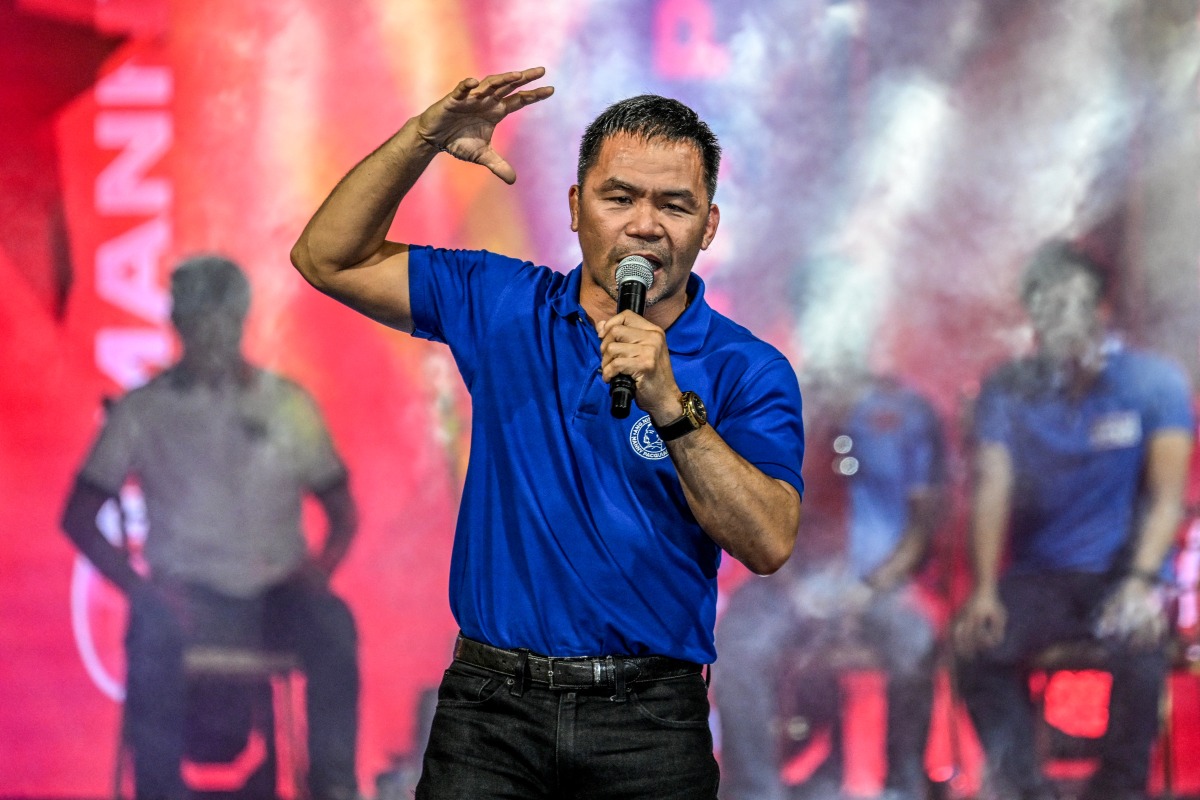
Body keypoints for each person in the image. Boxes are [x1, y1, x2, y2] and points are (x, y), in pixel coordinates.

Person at [290, 67, 806, 799]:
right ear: (575, 206)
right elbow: (326, 257)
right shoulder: (504, 305)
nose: (645, 225)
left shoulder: (746, 367)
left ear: (709, 224)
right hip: (490, 713)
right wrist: (425, 139)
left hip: (649, 723)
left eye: (675, 205)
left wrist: (669, 401)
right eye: (619, 197)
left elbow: (769, 541)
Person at [61, 256, 361, 800]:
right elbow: (78, 514)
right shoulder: (142, 411)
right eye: (198, 321)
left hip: (276, 600)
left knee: (332, 621)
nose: (211, 335)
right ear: (177, 324)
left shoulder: (287, 403)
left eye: (223, 320)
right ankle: (158, 791)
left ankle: (333, 787)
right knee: (150, 627)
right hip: (185, 602)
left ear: (243, 320)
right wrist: (140, 589)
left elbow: (342, 509)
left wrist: (317, 572)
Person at [954, 241, 1195, 800]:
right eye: (1041, 302)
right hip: (1040, 579)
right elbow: (991, 487)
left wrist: (1139, 585)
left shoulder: (1153, 382)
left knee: (1138, 647)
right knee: (975, 646)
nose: (1054, 314)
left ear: (1099, 308)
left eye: (1068, 301)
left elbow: (1166, 497)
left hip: (1124, 576)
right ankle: (1027, 789)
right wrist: (985, 590)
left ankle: (1118, 791)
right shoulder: (1009, 387)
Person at [715, 370, 944, 800]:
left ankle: (904, 786)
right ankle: (753, 790)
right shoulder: (774, 409)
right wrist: (793, 588)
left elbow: (922, 519)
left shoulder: (906, 412)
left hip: (879, 583)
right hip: (789, 581)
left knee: (917, 638)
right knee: (737, 641)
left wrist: (879, 583)